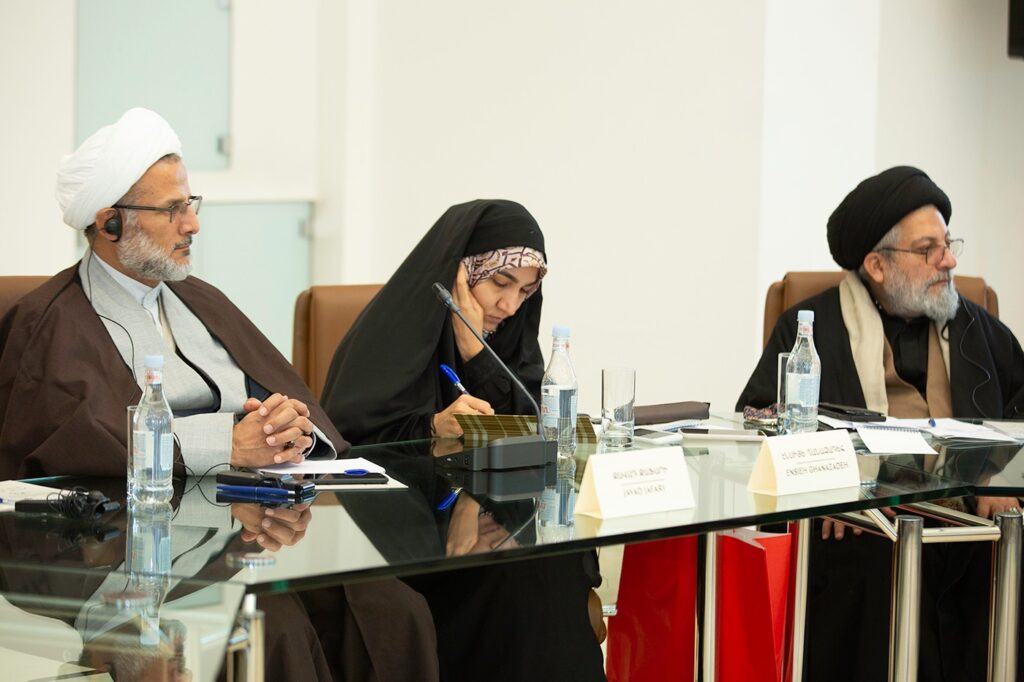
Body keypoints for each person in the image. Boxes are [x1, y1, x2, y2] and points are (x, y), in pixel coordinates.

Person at [0, 108, 437, 681]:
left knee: (392, 608)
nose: (193, 225)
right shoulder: (48, 322)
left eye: (191, 204)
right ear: (110, 223)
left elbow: (280, 394)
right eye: (172, 210)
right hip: (137, 559)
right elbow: (62, 452)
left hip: (251, 530)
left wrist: (289, 428)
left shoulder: (200, 299)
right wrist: (225, 444)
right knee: (274, 626)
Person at [737, 165, 1023, 681]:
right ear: (877, 265)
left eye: (948, 245)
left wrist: (998, 474)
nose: (949, 261)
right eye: (928, 249)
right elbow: (759, 424)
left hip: (975, 532)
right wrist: (826, 482)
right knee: (862, 572)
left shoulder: (980, 332)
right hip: (863, 536)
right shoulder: (809, 330)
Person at [321, 200, 606, 682]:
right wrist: (432, 426)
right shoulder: (391, 336)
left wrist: (477, 353)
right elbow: (346, 445)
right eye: (500, 283)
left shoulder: (511, 338)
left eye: (525, 291)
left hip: (497, 524)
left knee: (546, 566)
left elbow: (534, 428)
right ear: (459, 273)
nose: (510, 306)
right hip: (411, 541)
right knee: (513, 582)